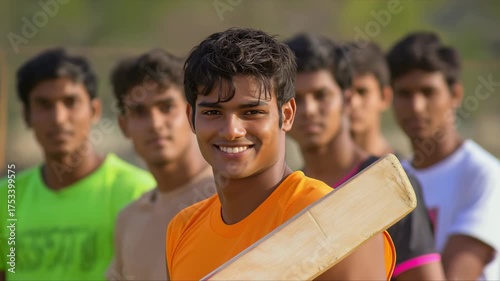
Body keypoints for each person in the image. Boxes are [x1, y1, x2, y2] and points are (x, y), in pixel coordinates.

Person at [166, 27, 395, 280]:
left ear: (286, 115)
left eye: (251, 112)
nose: (232, 130)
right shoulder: (182, 229)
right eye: (213, 113)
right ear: (191, 118)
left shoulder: (338, 222)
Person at [285, 33, 445, 280]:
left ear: (346, 100)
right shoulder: (287, 196)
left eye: (321, 95)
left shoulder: (389, 185)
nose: (309, 110)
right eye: (297, 98)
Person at [0, 49, 155, 280]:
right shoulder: (7, 196)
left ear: (94, 111)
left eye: (70, 102)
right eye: (44, 104)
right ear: (26, 116)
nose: (58, 118)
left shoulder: (138, 192)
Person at [387, 31, 500, 280]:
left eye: (428, 92)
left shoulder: (485, 176)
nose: (416, 106)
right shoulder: (394, 180)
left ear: (455, 95)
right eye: (405, 94)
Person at [106, 49, 215, 280]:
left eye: (166, 107)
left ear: (191, 113)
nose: (155, 124)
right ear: (124, 125)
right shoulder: (129, 219)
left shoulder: (229, 196)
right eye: (139, 112)